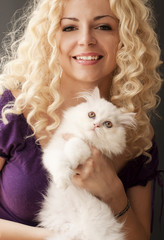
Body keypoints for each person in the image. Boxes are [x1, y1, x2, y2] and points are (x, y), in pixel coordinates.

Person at [0, 0, 163, 239]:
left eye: (104, 27)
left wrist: (114, 194)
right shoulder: (12, 109)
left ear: (127, 39)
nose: (86, 39)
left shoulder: (139, 134)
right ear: (50, 38)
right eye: (69, 27)